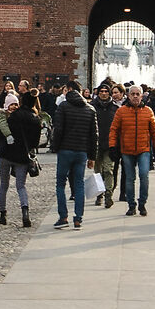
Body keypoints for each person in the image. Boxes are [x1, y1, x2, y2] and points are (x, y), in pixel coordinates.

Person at [50, 82, 98, 228]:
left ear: (69, 90)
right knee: (79, 184)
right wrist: (92, 156)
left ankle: (63, 217)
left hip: (65, 149)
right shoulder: (90, 109)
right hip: (81, 151)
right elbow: (94, 136)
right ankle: (78, 218)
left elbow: (58, 130)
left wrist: (55, 147)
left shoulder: (63, 107)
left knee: (60, 184)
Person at [110, 84, 155, 215]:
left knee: (144, 175)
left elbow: (154, 132)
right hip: (127, 149)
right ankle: (131, 205)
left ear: (142, 96)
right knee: (129, 178)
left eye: (138, 94)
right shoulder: (121, 111)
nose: (135, 96)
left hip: (143, 149)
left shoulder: (148, 111)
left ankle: (142, 202)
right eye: (133, 94)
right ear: (128, 96)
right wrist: (112, 146)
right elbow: (114, 130)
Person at [0, 88, 40, 227]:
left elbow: (2, 134)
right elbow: (35, 143)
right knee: (21, 186)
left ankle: (3, 215)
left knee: (4, 185)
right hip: (23, 156)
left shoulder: (14, 116)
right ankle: (25, 212)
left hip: (7, 153)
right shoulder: (35, 119)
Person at [93, 79, 121, 209]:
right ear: (98, 93)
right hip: (96, 143)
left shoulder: (115, 109)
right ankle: (99, 194)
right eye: (101, 91)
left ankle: (108, 194)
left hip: (110, 144)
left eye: (106, 91)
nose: (104, 93)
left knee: (108, 170)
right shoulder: (92, 107)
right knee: (97, 171)